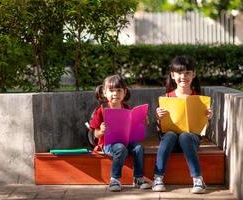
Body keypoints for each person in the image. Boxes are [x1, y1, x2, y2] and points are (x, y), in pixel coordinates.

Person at [152, 55, 213, 194]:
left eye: (187, 73)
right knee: (169, 135)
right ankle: (158, 177)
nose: (183, 77)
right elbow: (160, 127)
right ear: (173, 75)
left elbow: (202, 130)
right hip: (170, 141)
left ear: (193, 74)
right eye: (179, 73)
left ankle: (198, 179)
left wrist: (207, 118)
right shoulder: (167, 98)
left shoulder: (198, 99)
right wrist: (158, 117)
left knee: (185, 136)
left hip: (190, 140)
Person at [89, 74, 151, 192]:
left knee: (138, 148)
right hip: (108, 144)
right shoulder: (101, 110)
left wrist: (143, 122)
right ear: (104, 92)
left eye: (119, 90)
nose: (115, 94)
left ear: (125, 92)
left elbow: (133, 127)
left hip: (127, 141)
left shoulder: (127, 108)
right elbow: (94, 134)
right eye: (111, 90)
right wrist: (101, 131)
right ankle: (115, 179)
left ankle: (138, 178)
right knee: (120, 148)